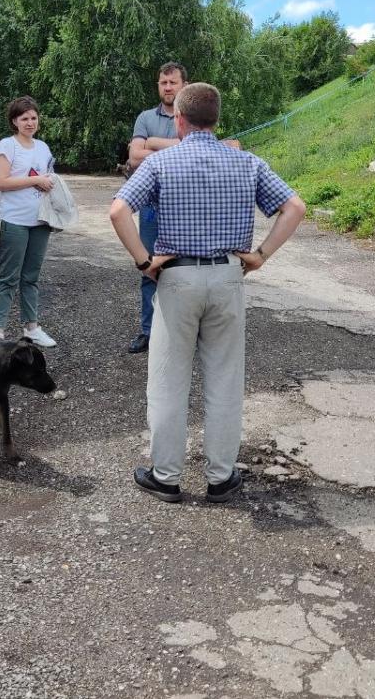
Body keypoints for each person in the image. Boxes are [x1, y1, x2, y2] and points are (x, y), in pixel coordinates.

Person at [110, 83, 306, 503]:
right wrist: (261, 256)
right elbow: (295, 207)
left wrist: (144, 261)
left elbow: (118, 210)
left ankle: (166, 475)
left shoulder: (162, 163)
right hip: (226, 276)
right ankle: (220, 476)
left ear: (178, 120)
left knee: (167, 380)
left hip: (176, 279)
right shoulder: (246, 163)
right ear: (216, 121)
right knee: (224, 380)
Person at [125, 62, 240, 353]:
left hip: (186, 207)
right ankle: (149, 331)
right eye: (162, 83)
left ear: (184, 86)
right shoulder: (145, 117)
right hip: (152, 208)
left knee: (187, 269)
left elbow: (217, 147)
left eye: (172, 83)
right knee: (150, 271)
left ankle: (188, 334)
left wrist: (154, 143)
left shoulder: (194, 113)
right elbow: (135, 158)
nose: (167, 87)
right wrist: (178, 145)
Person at [0, 96, 57, 347]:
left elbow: (49, 178)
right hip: (14, 220)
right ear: (14, 122)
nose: (30, 122)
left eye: (33, 117)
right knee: (8, 277)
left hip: (40, 221)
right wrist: (35, 180)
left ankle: (32, 327)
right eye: (24, 118)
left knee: (31, 277)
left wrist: (49, 183)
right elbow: (2, 182)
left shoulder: (43, 147)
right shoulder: (7, 146)